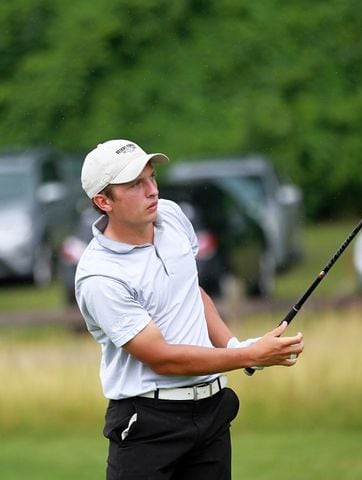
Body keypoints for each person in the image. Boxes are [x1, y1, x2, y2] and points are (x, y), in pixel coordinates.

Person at [75, 139, 304, 480]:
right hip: (147, 424)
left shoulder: (170, 215)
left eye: (152, 177)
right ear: (103, 201)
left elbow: (190, 290)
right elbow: (162, 358)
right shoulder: (100, 276)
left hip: (211, 413)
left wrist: (233, 345)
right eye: (136, 184)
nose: (152, 190)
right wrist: (249, 356)